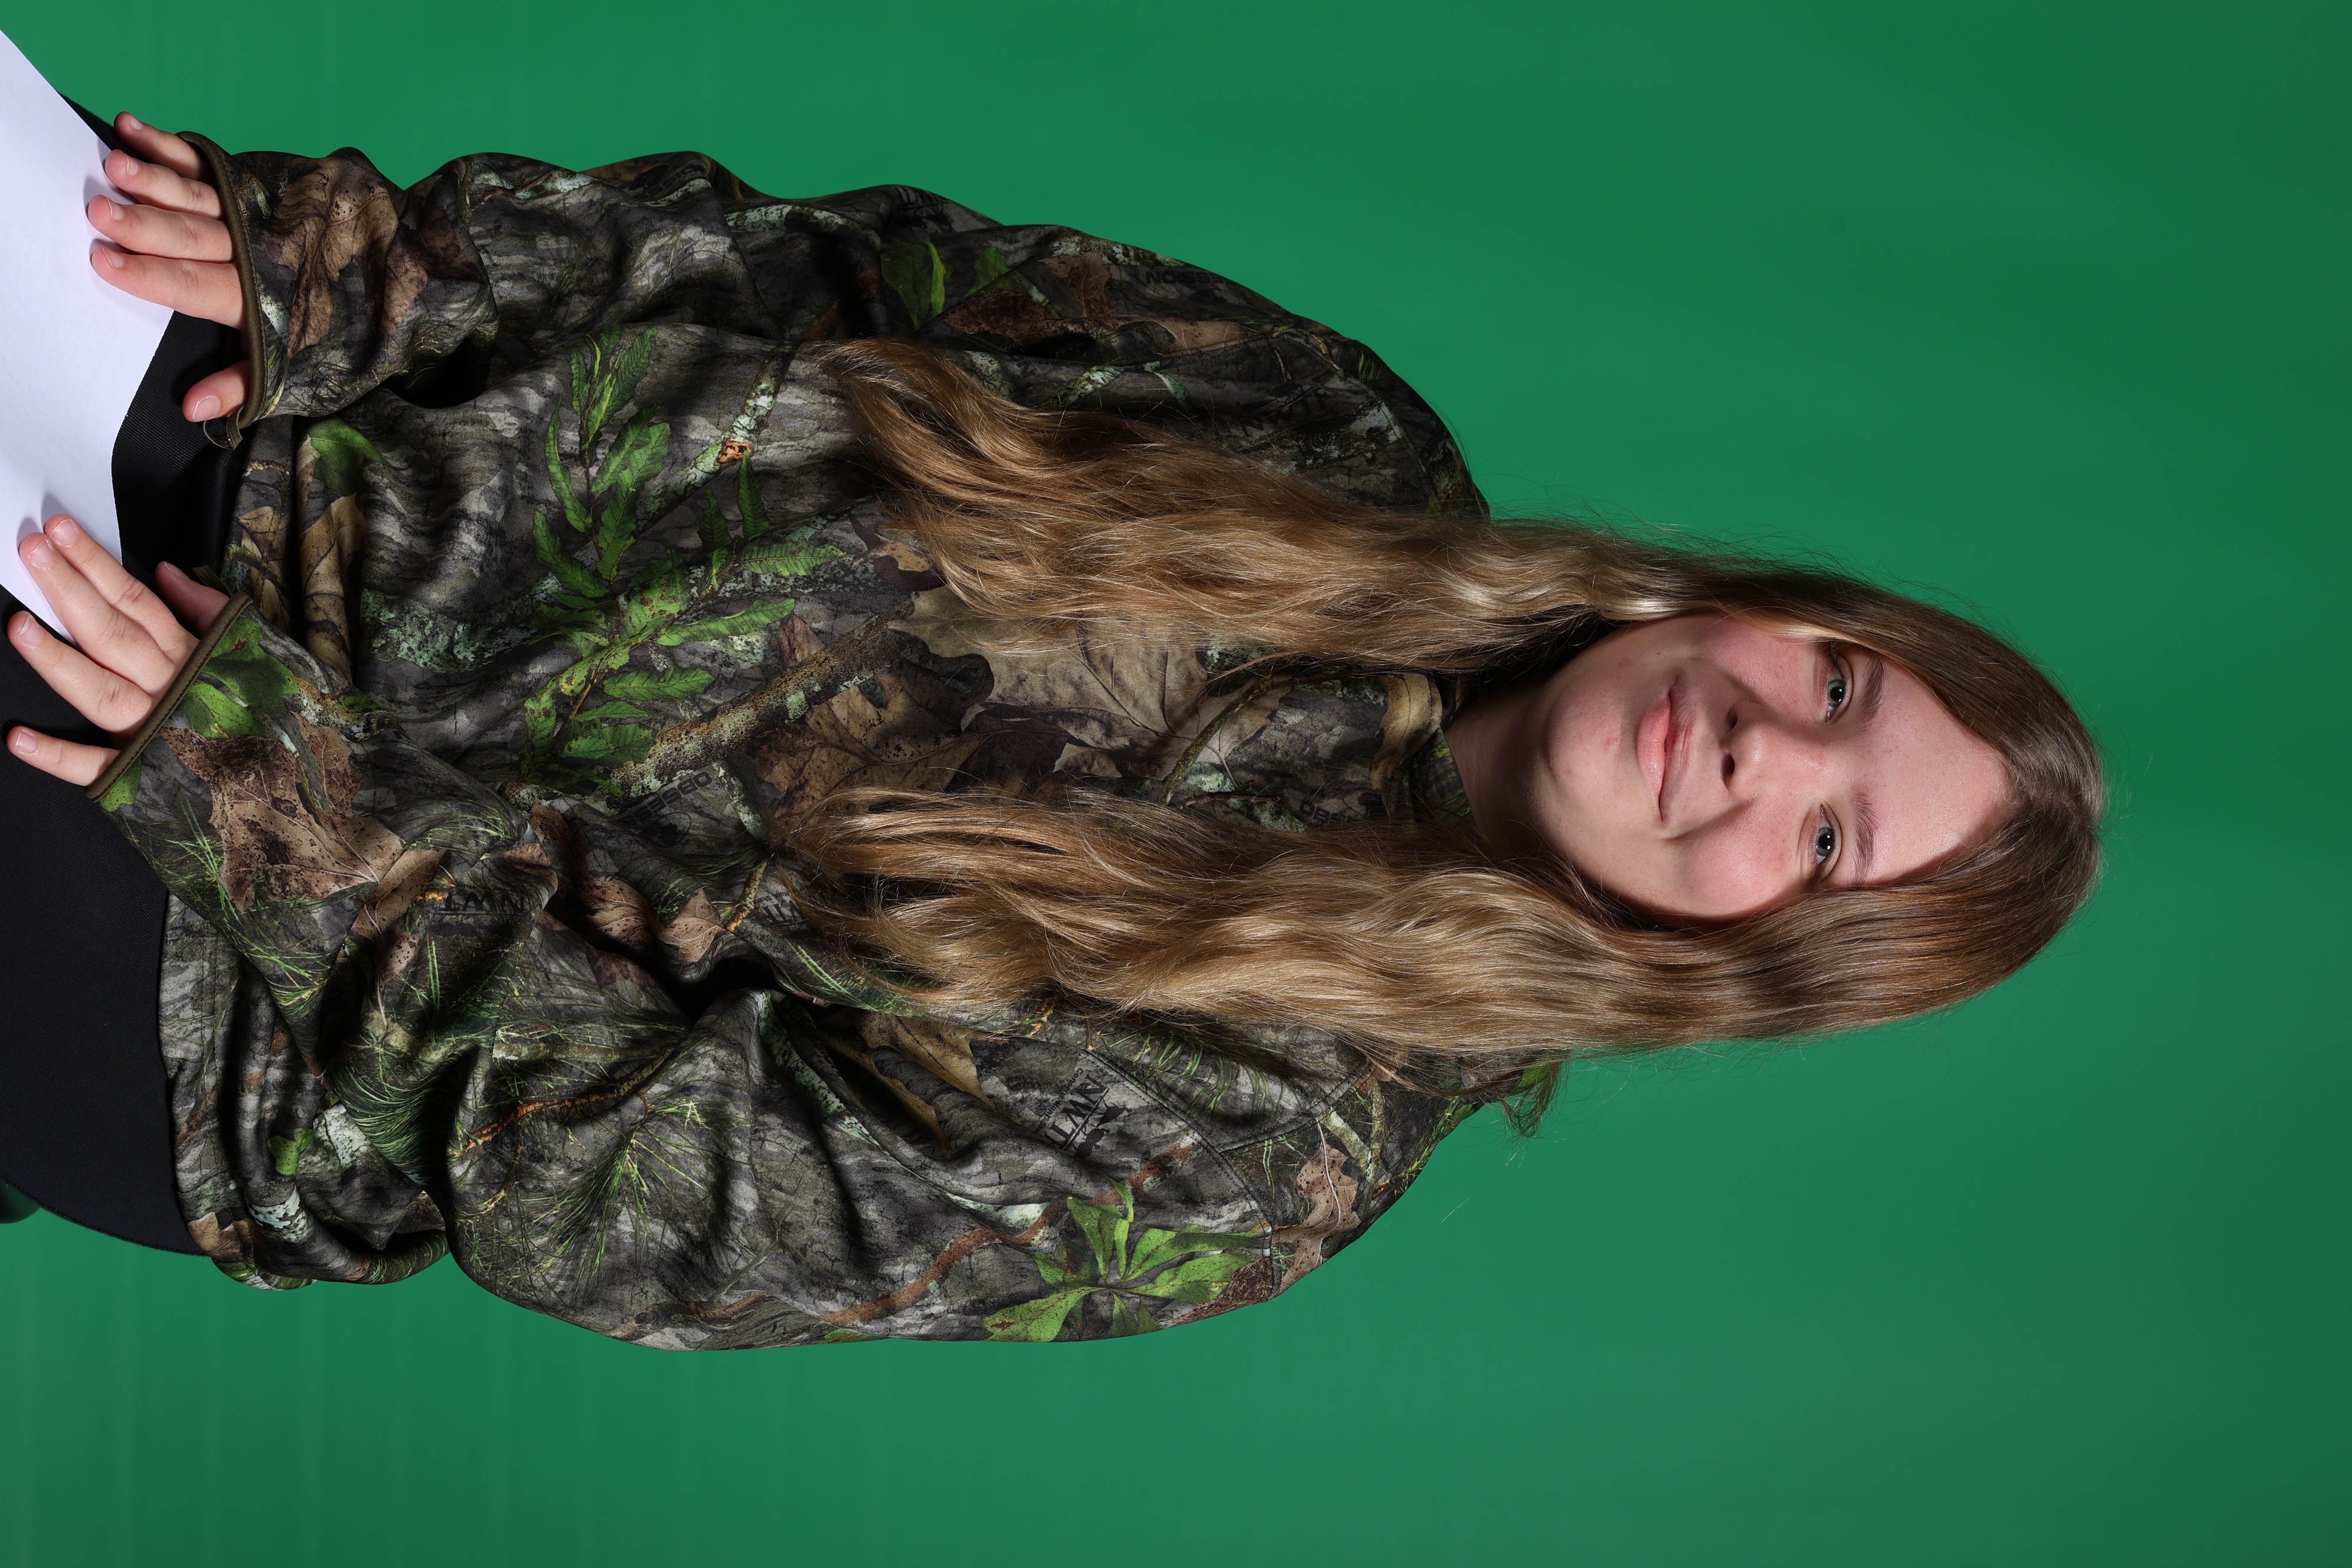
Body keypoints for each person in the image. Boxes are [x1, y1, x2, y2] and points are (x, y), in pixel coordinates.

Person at [0, 115, 2101, 1347]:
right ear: (1780, 610)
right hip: (284, 456)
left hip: (235, 962)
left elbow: (632, 1194)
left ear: (1747, 966)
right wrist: (385, 273)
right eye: (1838, 685)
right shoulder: (1350, 438)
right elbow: (834, 274)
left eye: (1826, 842)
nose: (1758, 748)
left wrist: (271, 794)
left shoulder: (1278, 1142)